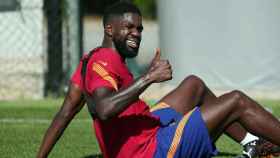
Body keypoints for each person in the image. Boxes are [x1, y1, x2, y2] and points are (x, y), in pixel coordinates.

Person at [37, 2, 280, 158]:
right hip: (151, 151)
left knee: (193, 84)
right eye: (129, 28)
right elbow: (104, 109)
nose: (137, 34)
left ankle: (251, 143)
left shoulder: (89, 59)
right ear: (110, 30)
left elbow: (64, 113)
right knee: (236, 100)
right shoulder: (104, 61)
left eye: (140, 29)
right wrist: (149, 77)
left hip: (145, 130)